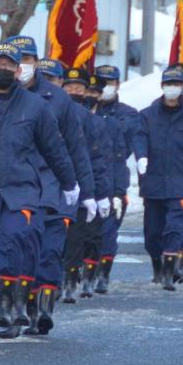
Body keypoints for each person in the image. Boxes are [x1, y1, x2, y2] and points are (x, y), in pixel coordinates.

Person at [0, 42, 75, 344]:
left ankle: (9, 301)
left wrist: (69, 183)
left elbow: (55, 149)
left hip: (20, 191)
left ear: (18, 70)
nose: (3, 70)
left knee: (14, 238)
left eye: (9, 65)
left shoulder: (36, 107)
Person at [19, 47, 97, 332]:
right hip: (20, 188)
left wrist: (86, 193)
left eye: (55, 79)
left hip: (55, 187)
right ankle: (22, 308)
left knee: (50, 251)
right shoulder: (4, 96)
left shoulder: (61, 102)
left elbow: (77, 150)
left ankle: (43, 308)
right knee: (23, 251)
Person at [135, 66, 183, 288]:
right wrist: (141, 156)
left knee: (175, 228)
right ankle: (158, 267)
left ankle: (170, 273)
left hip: (182, 182)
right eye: (168, 84)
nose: (172, 89)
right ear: (162, 87)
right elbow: (139, 137)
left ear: (182, 88)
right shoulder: (147, 115)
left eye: (176, 85)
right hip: (154, 182)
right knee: (152, 233)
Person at [61, 65, 120, 301]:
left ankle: (74, 282)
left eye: (79, 87)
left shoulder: (92, 121)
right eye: (70, 86)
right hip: (55, 186)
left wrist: (102, 192)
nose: (74, 91)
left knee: (85, 238)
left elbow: (100, 159)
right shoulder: (50, 112)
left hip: (85, 186)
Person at [89, 64, 140, 292]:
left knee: (109, 231)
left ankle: (103, 276)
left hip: (114, 175)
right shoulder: (87, 110)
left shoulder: (129, 115)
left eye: (110, 82)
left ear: (118, 84)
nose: (105, 87)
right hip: (87, 177)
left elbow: (126, 150)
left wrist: (120, 190)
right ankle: (83, 273)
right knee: (85, 232)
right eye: (101, 82)